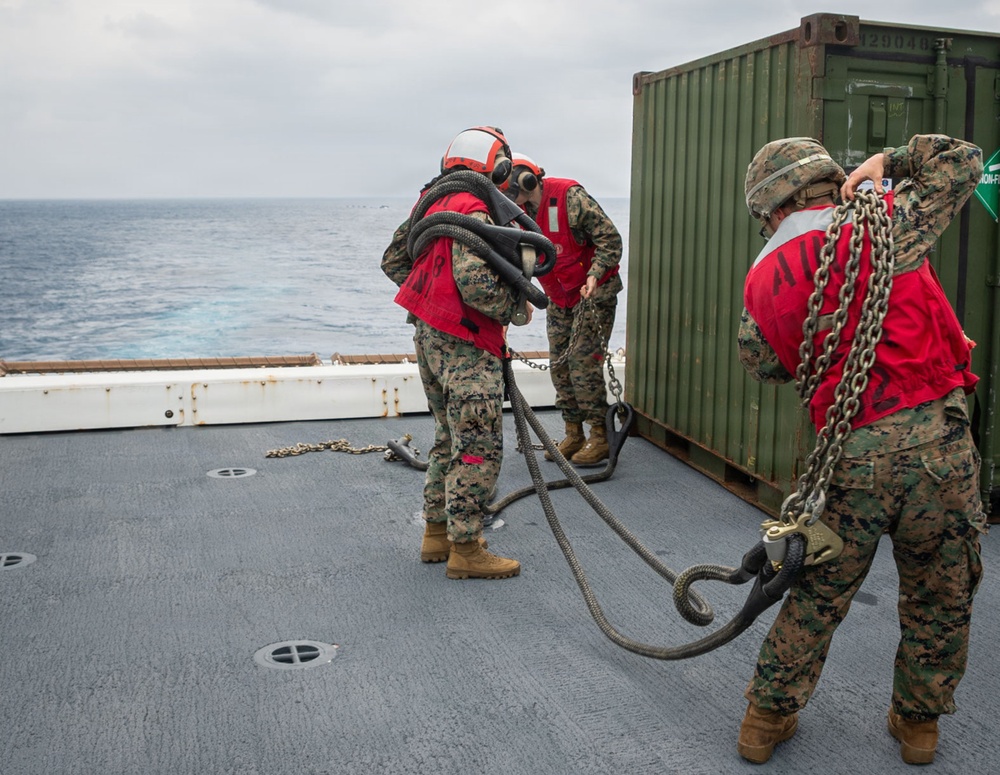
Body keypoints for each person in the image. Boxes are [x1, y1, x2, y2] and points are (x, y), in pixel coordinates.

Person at [736, 134, 986, 765]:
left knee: (818, 592)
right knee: (941, 593)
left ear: (771, 208)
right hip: (940, 450)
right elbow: (963, 161)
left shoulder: (761, 277)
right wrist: (892, 162)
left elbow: (764, 363)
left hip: (851, 460)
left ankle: (765, 719)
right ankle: (918, 728)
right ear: (829, 178)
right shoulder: (889, 222)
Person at [381, 126, 521, 581]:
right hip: (465, 344)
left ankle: (436, 534)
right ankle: (466, 549)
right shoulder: (475, 211)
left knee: (447, 436)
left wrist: (432, 302)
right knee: (477, 447)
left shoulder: (433, 205)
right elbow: (476, 283)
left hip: (427, 338)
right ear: (498, 168)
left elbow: (394, 261)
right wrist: (514, 308)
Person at [506, 153, 623, 466]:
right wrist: (522, 295)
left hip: (592, 294)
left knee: (583, 365)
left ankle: (600, 435)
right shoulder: (516, 214)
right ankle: (574, 432)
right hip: (560, 297)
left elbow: (610, 240)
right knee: (559, 364)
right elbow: (521, 258)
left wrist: (595, 274)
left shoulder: (570, 198)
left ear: (526, 181)